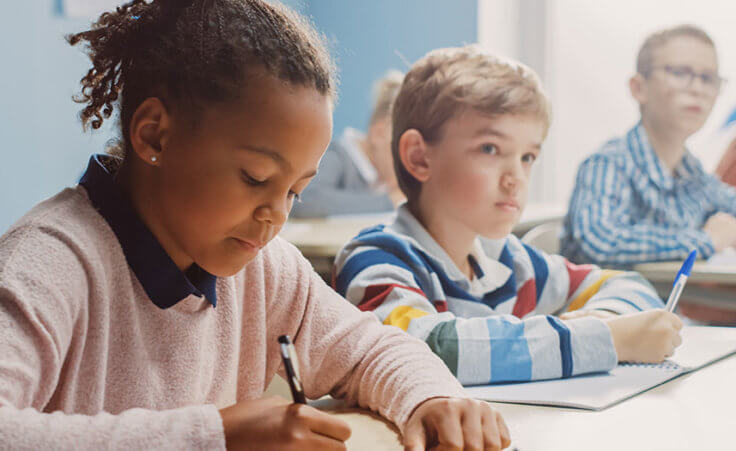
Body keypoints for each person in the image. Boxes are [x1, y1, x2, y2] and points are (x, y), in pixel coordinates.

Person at [0, 2, 510, 450]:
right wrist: (212, 437)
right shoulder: (48, 263)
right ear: (155, 135)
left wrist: (433, 397)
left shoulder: (264, 267)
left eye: (294, 190)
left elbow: (370, 351)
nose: (277, 215)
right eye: (255, 177)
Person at [333, 45, 682, 386]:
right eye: (491, 149)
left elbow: (626, 284)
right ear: (420, 157)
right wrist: (605, 338)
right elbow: (430, 350)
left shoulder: (511, 261)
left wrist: (604, 318)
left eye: (527, 157)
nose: (515, 178)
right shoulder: (373, 260)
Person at [561, 25, 736, 267]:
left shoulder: (695, 176)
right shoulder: (608, 164)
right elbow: (601, 242)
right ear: (638, 87)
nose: (697, 89)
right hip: (608, 303)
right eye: (679, 72)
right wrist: (706, 240)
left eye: (708, 78)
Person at [291, 70, 405, 218]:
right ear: (379, 133)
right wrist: (390, 200)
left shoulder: (380, 181)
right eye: (404, 147)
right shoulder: (337, 155)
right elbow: (306, 200)